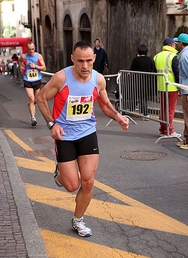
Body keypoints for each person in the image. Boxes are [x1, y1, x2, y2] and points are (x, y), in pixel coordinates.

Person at [36, 40, 129, 237]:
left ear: (94, 58)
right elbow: (41, 97)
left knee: (88, 182)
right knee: (71, 186)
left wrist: (118, 116)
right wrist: (52, 124)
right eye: (80, 61)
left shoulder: (99, 79)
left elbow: (104, 104)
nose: (85, 66)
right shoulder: (62, 78)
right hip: (65, 136)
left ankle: (78, 220)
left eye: (88, 60)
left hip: (87, 133)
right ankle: (59, 173)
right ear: (72, 59)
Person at [153, 37, 181, 137]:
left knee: (163, 109)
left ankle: (163, 129)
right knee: (170, 110)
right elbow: (177, 73)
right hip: (171, 87)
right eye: (174, 44)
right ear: (171, 45)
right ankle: (169, 130)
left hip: (161, 86)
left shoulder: (157, 56)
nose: (175, 46)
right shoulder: (173, 56)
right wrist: (180, 87)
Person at [19, 41, 47, 126]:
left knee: (36, 100)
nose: (31, 51)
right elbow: (20, 61)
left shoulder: (38, 56)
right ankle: (33, 118)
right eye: (30, 49)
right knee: (31, 98)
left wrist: (35, 66)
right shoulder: (24, 56)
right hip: (27, 80)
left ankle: (31, 104)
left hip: (37, 80)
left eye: (33, 49)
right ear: (27, 49)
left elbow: (44, 67)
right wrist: (21, 66)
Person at [129, 44, 156, 118]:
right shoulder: (149, 59)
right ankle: (141, 111)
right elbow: (153, 69)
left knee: (141, 97)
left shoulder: (136, 59)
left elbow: (131, 70)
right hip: (147, 81)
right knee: (143, 97)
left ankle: (145, 113)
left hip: (138, 81)